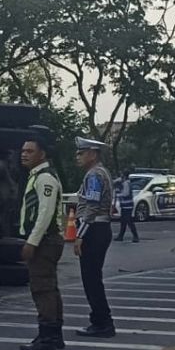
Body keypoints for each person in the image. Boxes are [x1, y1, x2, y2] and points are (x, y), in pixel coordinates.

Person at [17, 137, 66, 350]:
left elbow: (44, 214)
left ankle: (46, 338)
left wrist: (32, 242)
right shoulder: (38, 176)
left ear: (42, 154)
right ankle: (54, 335)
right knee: (50, 288)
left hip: (46, 241)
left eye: (29, 151)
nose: (24, 154)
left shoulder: (45, 178)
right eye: (23, 150)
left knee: (42, 289)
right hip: (48, 240)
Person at [73, 137, 115, 337]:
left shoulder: (94, 175)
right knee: (93, 278)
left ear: (93, 154)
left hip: (94, 229)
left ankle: (102, 322)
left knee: (91, 279)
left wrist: (80, 235)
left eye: (81, 153)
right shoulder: (100, 173)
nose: (78, 157)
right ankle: (100, 320)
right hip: (99, 228)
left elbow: (91, 206)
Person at [115, 171, 139, 243]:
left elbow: (125, 194)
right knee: (123, 221)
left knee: (129, 221)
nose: (121, 177)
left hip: (127, 205)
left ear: (124, 176)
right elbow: (115, 181)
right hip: (125, 205)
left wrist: (118, 194)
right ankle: (120, 236)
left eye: (122, 175)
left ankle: (135, 236)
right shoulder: (125, 182)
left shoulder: (126, 183)